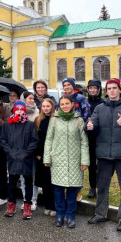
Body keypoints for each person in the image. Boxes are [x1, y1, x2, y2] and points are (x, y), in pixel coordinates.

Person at [86, 78, 121, 232]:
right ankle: (100, 214)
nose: (111, 90)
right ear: (106, 90)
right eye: (109, 88)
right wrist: (89, 126)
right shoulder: (99, 108)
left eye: (114, 88)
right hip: (104, 155)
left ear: (119, 90)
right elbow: (93, 123)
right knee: (102, 187)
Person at [43, 96, 90, 228]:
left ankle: (70, 216)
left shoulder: (79, 120)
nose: (64, 106)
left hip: (75, 161)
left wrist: (84, 160)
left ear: (72, 104)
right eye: (62, 104)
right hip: (58, 161)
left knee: (72, 191)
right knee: (58, 190)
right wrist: (47, 158)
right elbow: (49, 140)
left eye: (67, 103)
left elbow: (84, 143)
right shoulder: (54, 120)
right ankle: (59, 215)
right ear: (59, 106)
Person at [1, 101, 38, 220]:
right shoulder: (7, 124)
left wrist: (27, 153)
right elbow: (3, 140)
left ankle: (27, 205)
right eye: (17, 110)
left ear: (25, 112)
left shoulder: (29, 124)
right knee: (11, 183)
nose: (20, 112)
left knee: (28, 183)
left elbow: (34, 140)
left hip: (26, 158)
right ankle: (11, 205)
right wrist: (10, 152)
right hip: (12, 157)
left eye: (22, 110)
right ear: (14, 111)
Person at [34, 98, 56, 217]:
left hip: (54, 154)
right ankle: (47, 205)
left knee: (54, 182)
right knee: (45, 182)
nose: (46, 108)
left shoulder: (56, 119)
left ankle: (54, 206)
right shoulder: (38, 120)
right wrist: (37, 153)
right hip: (42, 154)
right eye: (44, 106)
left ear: (52, 107)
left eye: (48, 106)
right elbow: (36, 137)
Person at [20, 91, 40, 210]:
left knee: (33, 175)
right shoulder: (20, 112)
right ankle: (25, 198)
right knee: (24, 175)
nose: (32, 101)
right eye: (29, 99)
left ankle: (33, 198)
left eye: (33, 98)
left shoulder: (37, 112)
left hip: (33, 148)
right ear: (24, 99)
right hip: (22, 149)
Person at [85, 79, 103, 199]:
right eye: (90, 88)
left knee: (101, 164)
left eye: (94, 88)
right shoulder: (85, 103)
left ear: (98, 90)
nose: (92, 90)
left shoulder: (103, 103)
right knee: (91, 163)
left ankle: (101, 186)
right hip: (88, 137)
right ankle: (92, 187)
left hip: (101, 137)